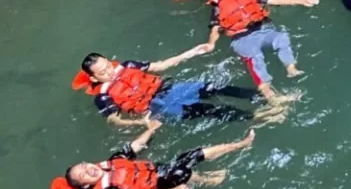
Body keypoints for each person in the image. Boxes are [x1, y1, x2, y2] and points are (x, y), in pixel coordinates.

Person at [51, 123, 255, 189]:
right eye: (83, 175)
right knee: (180, 172)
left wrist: (150, 130)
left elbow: (134, 147)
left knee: (190, 155)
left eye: (84, 165)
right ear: (85, 185)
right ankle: (210, 181)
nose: (88, 169)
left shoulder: (109, 164)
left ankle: (240, 144)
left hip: (157, 172)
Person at [73, 50, 261, 128]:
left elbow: (160, 66)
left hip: (169, 89)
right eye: (103, 72)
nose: (110, 72)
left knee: (213, 88)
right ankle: (258, 116)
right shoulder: (103, 97)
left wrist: (191, 53)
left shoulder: (127, 65)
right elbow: (114, 119)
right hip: (158, 106)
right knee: (208, 110)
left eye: (108, 66)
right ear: (93, 78)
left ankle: (259, 97)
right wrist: (140, 123)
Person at [200, 0, 310, 101]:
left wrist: (301, 1)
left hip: (263, 30)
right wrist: (211, 43)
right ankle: (270, 95)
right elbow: (215, 29)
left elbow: (271, 0)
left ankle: (291, 68)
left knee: (281, 38)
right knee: (255, 58)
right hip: (242, 38)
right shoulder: (218, 7)